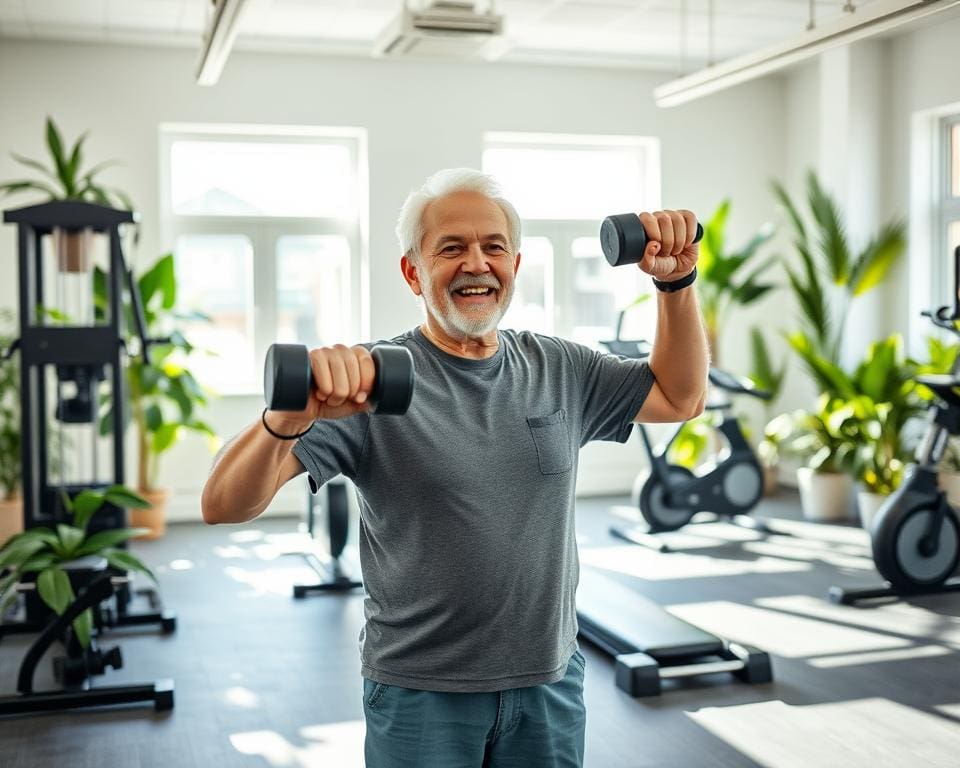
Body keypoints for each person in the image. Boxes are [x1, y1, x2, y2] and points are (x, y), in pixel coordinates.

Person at [201, 168, 709, 767]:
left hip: (549, 680)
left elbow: (679, 397)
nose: (477, 263)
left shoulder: (560, 368)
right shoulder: (370, 383)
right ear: (413, 271)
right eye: (451, 248)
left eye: (494, 247)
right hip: (422, 692)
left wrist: (677, 286)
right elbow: (221, 504)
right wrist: (286, 418)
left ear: (515, 266)